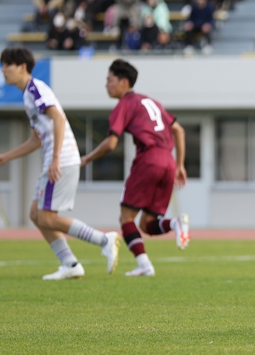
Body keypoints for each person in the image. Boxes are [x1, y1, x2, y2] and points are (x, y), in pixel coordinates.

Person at [0, 48, 120, 280]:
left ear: (22, 67)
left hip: (62, 159)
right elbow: (36, 139)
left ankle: (104, 239)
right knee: (35, 214)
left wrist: (56, 157)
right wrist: (5, 157)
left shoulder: (36, 88)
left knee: (46, 217)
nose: (3, 70)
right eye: (3, 65)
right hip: (56, 159)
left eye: (8, 64)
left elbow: (57, 117)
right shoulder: (27, 95)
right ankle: (70, 264)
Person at [80, 59, 190, 277]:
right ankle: (175, 223)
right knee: (147, 224)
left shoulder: (125, 104)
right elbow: (179, 130)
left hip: (148, 159)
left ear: (123, 81)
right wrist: (179, 165)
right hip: (167, 161)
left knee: (126, 219)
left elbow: (111, 143)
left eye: (109, 80)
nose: (106, 85)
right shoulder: (152, 102)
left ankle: (145, 265)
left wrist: (87, 159)